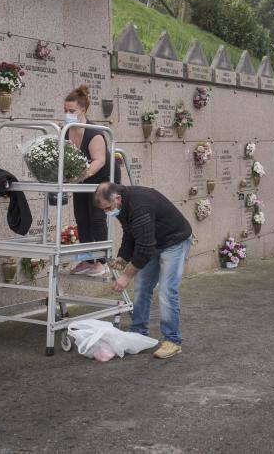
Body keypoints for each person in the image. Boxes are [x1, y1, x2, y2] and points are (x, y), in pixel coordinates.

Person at [95, 182, 193, 359]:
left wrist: (126, 276)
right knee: (141, 287)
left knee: (167, 290)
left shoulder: (140, 205)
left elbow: (145, 248)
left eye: (108, 208)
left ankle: (173, 340)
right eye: (104, 210)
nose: (107, 212)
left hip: (174, 241)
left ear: (117, 198)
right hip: (154, 241)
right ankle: (138, 332)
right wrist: (123, 256)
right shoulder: (123, 203)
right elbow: (129, 231)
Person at [64, 85, 119, 277]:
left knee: (96, 217)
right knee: (81, 217)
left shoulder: (94, 132)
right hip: (82, 177)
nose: (68, 114)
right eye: (65, 111)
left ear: (83, 111)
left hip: (102, 177)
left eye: (72, 111)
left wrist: (78, 176)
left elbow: (99, 161)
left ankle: (102, 262)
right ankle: (88, 260)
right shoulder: (66, 131)